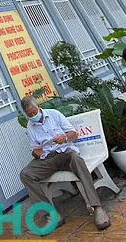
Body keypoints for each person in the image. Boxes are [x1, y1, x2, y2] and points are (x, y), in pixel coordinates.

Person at [19, 95, 111, 231]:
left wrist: (65, 137)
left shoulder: (54, 114)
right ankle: (52, 214)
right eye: (29, 115)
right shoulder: (31, 126)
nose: (33, 116)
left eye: (34, 112)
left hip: (65, 154)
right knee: (26, 174)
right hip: (47, 159)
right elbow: (35, 149)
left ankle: (97, 207)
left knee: (77, 161)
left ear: (38, 106)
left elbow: (74, 133)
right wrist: (36, 152)